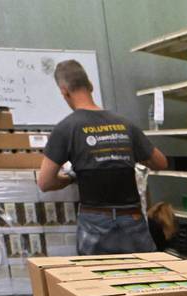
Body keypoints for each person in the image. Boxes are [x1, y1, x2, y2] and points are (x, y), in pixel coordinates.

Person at [39, 59, 169, 255]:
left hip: (95, 223)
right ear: (90, 86)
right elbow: (160, 162)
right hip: (131, 218)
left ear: (64, 92)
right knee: (141, 280)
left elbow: (45, 182)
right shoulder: (125, 125)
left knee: (99, 281)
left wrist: (70, 177)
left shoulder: (66, 128)